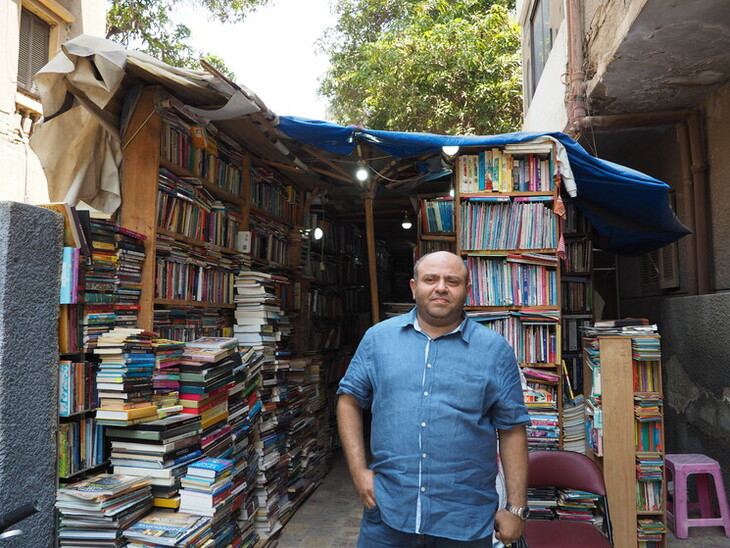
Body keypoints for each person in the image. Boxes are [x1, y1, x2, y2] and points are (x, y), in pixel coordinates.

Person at [337, 251, 531, 547]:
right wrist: (359, 472)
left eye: (452, 281)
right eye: (431, 279)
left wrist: (515, 508)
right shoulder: (378, 340)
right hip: (389, 514)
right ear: (414, 287)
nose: (441, 287)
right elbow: (348, 400)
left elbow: (512, 428)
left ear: (467, 291)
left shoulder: (494, 350)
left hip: (465, 519)